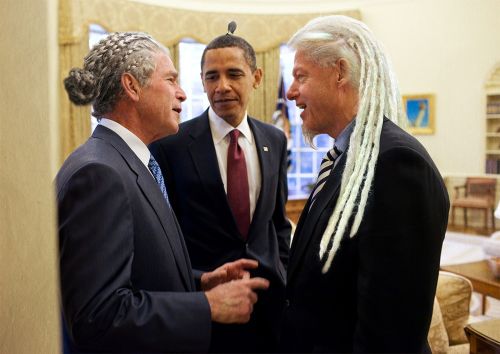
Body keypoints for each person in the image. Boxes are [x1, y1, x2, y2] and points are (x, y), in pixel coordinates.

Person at [57, 31, 270, 353]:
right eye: (171, 80)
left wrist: (198, 281)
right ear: (132, 86)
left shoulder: (129, 161)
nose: (183, 94)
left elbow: (138, 270)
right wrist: (207, 306)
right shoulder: (99, 174)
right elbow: (98, 317)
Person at [280, 15, 449, 353]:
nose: (290, 92)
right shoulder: (347, 157)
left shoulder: (395, 164)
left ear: (339, 72)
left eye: (301, 76)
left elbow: (391, 331)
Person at [150, 28, 291, 352]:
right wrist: (197, 285)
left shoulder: (275, 139)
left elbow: (278, 222)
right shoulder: (171, 144)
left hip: (268, 302)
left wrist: (281, 269)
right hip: (205, 306)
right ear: (201, 81)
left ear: (256, 77)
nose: (222, 86)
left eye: (234, 74)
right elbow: (165, 234)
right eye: (212, 76)